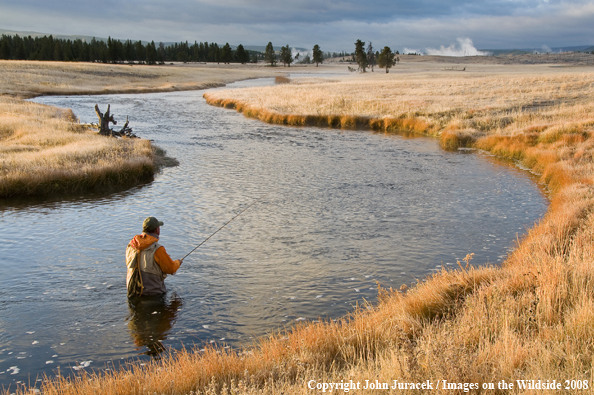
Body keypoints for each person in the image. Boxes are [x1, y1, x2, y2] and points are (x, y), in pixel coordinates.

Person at [126, 216, 183, 297]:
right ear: (157, 230)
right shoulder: (157, 249)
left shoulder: (131, 245)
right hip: (153, 294)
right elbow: (171, 269)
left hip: (132, 291)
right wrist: (178, 262)